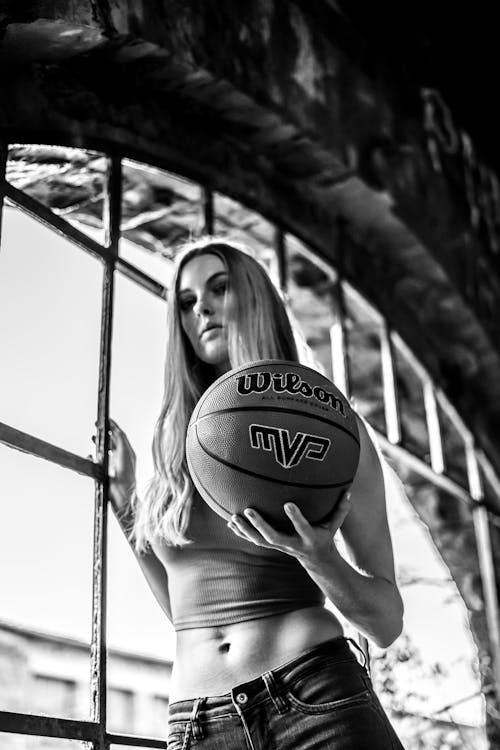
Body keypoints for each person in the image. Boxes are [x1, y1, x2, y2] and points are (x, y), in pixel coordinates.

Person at [107, 238, 406, 749]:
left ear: (256, 300)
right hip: (200, 724)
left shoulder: (329, 428)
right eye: (185, 301)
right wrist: (126, 503)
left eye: (219, 287)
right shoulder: (176, 447)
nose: (200, 306)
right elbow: (186, 610)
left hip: (314, 699)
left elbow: (386, 622)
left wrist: (319, 558)